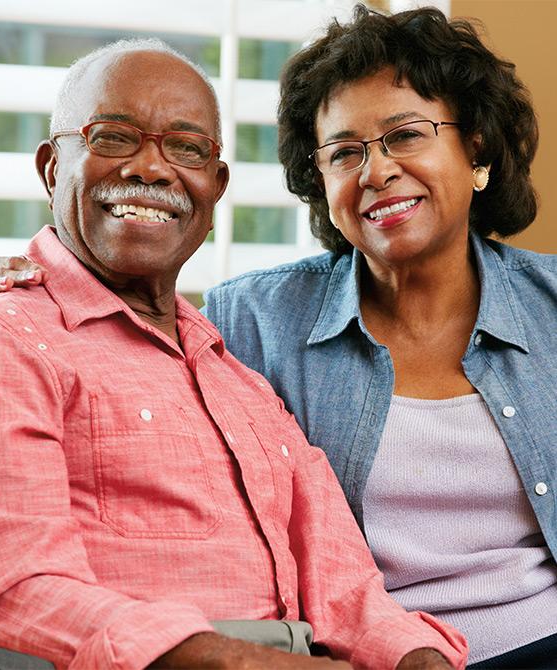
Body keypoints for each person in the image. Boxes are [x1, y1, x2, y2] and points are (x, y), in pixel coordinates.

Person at [0, 38, 468, 670]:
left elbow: (348, 590)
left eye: (186, 148)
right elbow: (14, 585)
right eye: (113, 137)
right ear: (53, 168)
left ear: (215, 189)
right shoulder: (13, 337)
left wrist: (418, 658)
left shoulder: (237, 371)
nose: (151, 170)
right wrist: (235, 661)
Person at [199, 6, 557, 669]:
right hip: (362, 656)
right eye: (344, 152)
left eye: (404, 135)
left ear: (474, 150)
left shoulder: (551, 305)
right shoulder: (250, 321)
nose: (376, 170)